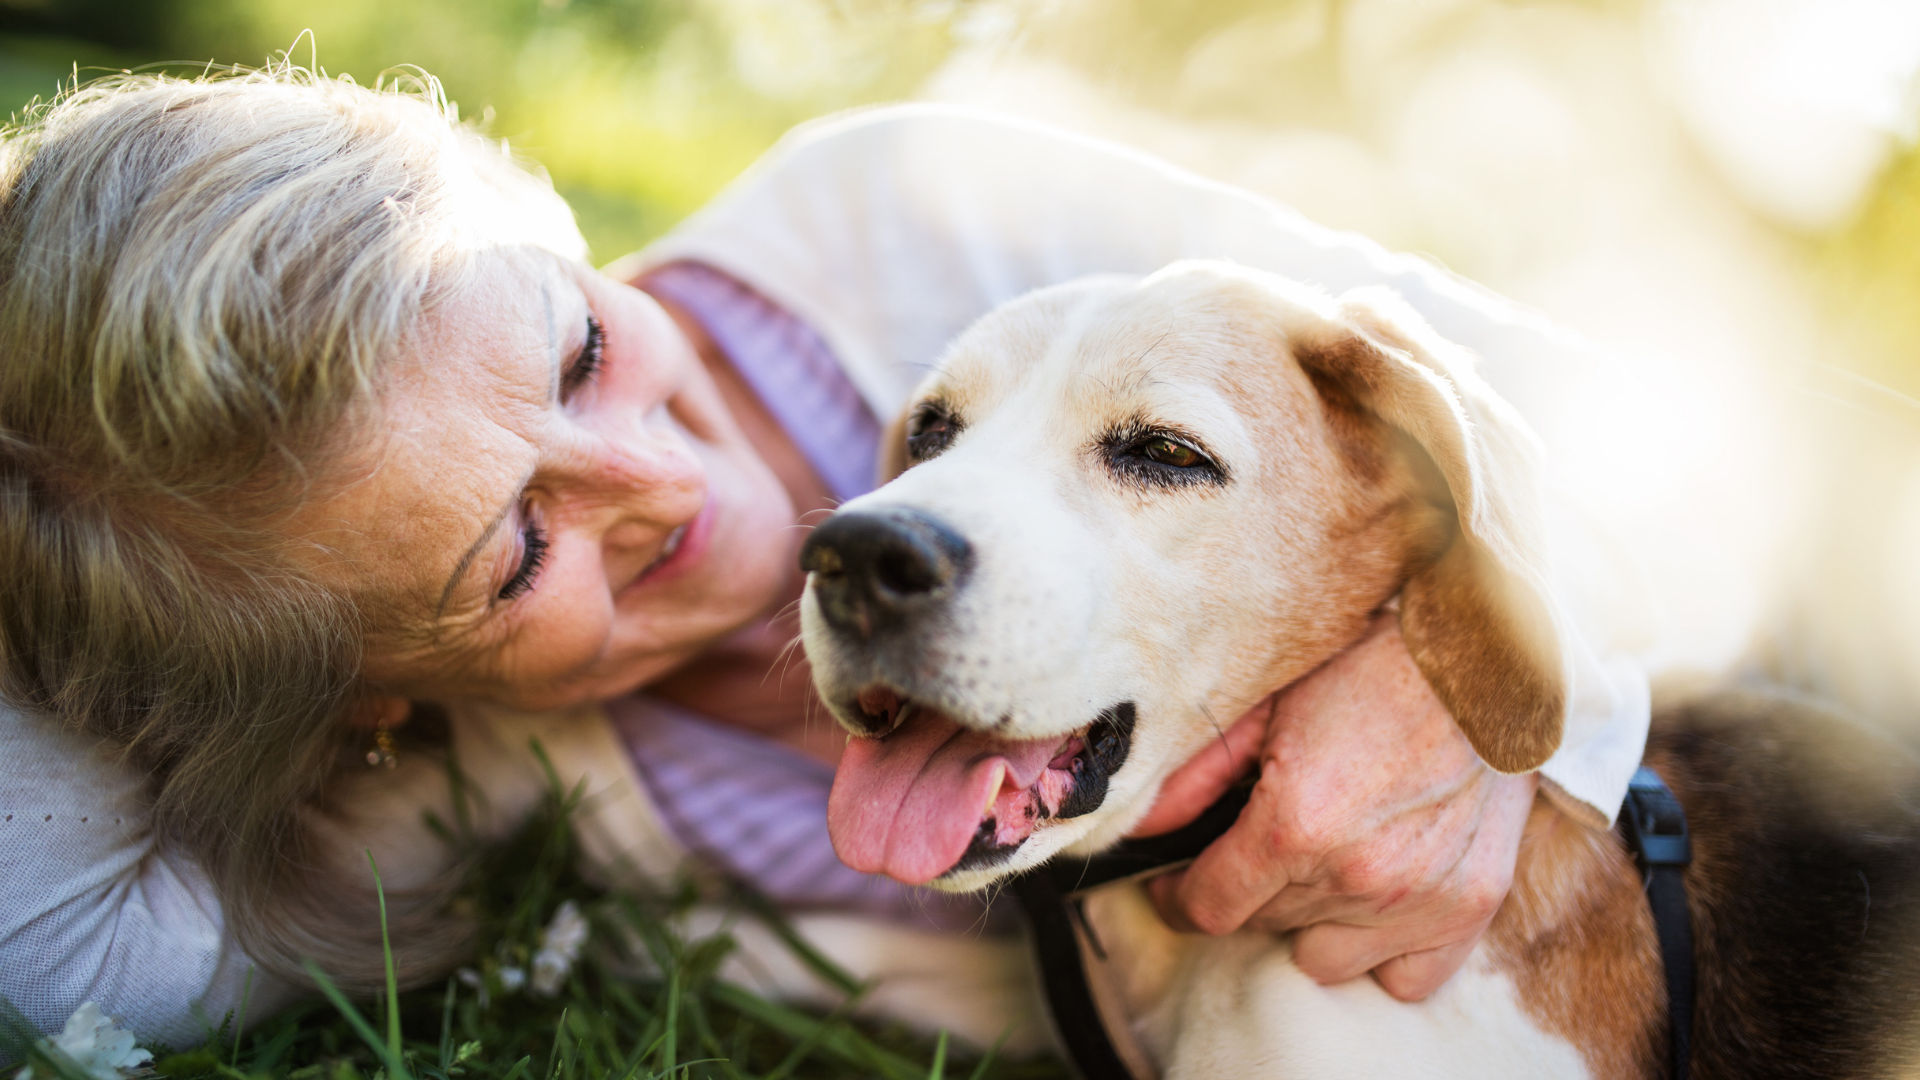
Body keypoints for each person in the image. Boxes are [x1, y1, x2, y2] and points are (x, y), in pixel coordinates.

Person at [0, 65, 1654, 1052]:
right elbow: (51, 952)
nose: (667, 484)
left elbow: (1658, 432)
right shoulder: (457, 782)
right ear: (368, 691)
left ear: (550, 217)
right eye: (514, 555)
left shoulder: (910, 212)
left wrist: (1503, 697)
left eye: (582, 350)